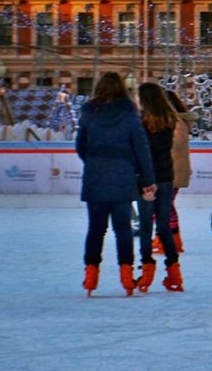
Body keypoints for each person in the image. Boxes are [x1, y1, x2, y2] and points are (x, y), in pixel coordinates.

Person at [75, 72, 157, 297]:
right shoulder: (130, 115)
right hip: (123, 177)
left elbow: (80, 145)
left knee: (95, 229)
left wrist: (94, 161)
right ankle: (126, 275)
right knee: (122, 229)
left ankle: (91, 275)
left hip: (95, 177)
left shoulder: (90, 114)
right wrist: (147, 180)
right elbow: (142, 149)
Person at [134, 83, 182, 294]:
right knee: (163, 227)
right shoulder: (170, 119)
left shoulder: (141, 122)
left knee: (146, 226)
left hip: (147, 179)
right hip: (166, 177)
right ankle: (174, 272)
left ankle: (146, 271)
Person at [164, 88, 196, 253]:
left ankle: (169, 239)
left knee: (164, 206)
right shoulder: (173, 120)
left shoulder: (174, 121)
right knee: (165, 205)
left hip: (172, 169)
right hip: (172, 168)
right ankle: (171, 240)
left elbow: (177, 142)